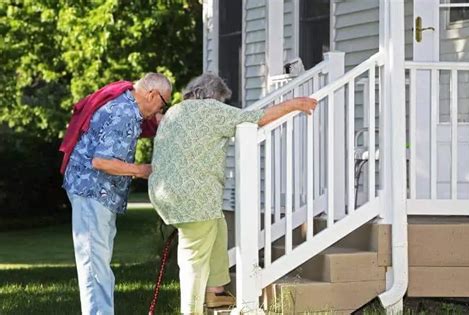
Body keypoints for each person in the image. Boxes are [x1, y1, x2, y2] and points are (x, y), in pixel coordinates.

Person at [148, 73, 317, 314]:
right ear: (214, 96)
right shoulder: (212, 110)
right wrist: (294, 104)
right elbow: (257, 118)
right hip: (194, 199)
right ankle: (191, 310)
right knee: (193, 259)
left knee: (218, 226)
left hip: (167, 193)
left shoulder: (175, 111)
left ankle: (215, 291)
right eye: (222, 100)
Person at [61, 73, 172, 315]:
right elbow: (100, 161)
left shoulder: (130, 109)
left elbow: (158, 121)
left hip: (100, 193)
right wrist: (141, 170)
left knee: (99, 264)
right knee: (94, 266)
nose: (159, 111)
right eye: (163, 104)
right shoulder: (122, 114)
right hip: (91, 191)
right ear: (152, 94)